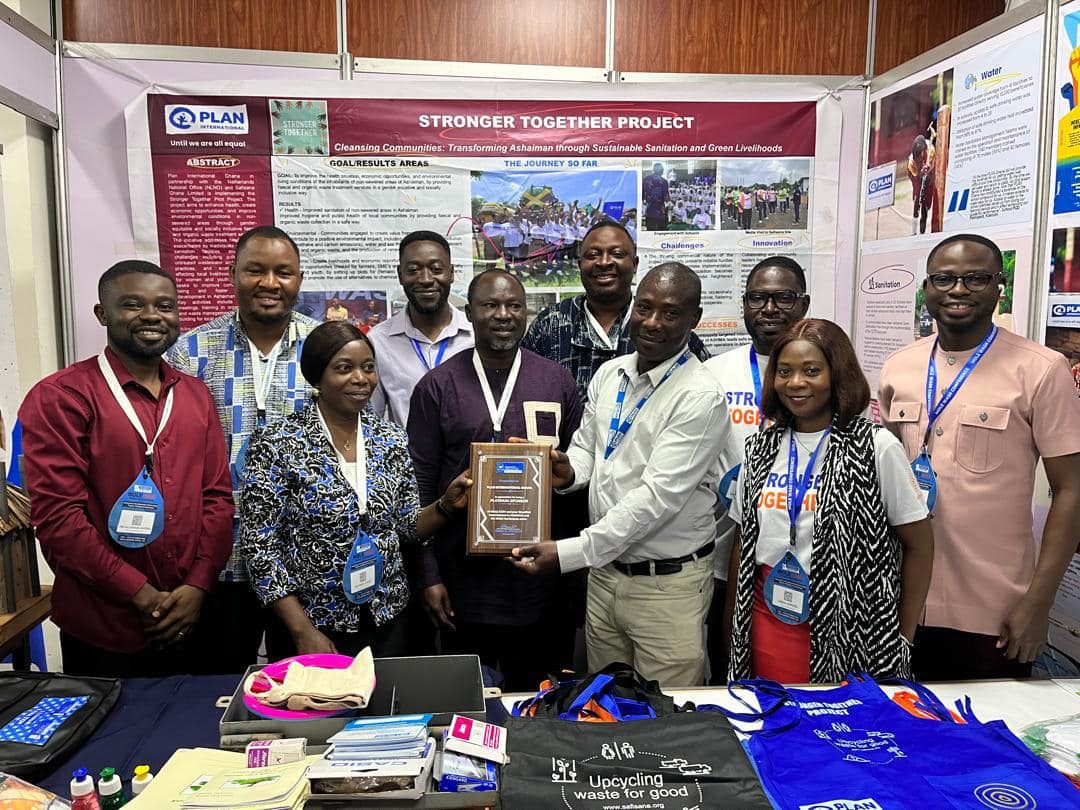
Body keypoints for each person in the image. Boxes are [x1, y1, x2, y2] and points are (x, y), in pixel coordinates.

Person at [511, 263, 729, 687]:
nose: (652, 322)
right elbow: (590, 449)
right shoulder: (612, 374)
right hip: (605, 576)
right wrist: (567, 470)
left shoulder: (700, 396)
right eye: (644, 308)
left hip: (666, 588)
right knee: (607, 707)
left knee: (668, 721)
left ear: (694, 319)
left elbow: (655, 500)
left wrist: (569, 554)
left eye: (669, 313)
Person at [879, 234, 1080, 680]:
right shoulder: (898, 367)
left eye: (975, 278)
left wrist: (1038, 601)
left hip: (995, 609)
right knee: (904, 736)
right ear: (927, 288)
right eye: (945, 279)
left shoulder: (1042, 369)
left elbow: (1071, 489)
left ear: (998, 286)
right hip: (901, 602)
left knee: (988, 741)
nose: (958, 290)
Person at [20, 261, 233, 677]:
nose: (152, 315)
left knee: (192, 738)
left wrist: (198, 585)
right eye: (133, 304)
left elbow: (217, 499)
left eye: (165, 306)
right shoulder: (61, 397)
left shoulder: (194, 396)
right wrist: (140, 594)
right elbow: (58, 519)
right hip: (104, 627)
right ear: (102, 314)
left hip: (192, 617)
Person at [237, 322, 471, 660]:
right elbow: (260, 547)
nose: (361, 379)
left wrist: (445, 506)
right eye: (344, 369)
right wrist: (302, 631)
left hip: (386, 618)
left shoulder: (390, 439)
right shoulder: (277, 443)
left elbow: (406, 527)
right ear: (316, 378)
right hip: (312, 625)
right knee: (319, 712)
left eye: (368, 367)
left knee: (384, 710)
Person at [725, 319, 933, 683]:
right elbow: (744, 542)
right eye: (785, 371)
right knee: (773, 724)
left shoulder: (875, 447)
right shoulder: (760, 448)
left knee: (840, 728)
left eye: (811, 371)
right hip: (767, 618)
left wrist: (902, 637)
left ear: (837, 373)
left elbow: (920, 545)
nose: (796, 383)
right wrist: (733, 628)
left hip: (854, 631)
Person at [407, 270, 582, 690]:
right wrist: (428, 576)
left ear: (526, 312)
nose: (503, 315)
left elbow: (578, 478)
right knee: (469, 706)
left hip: (540, 585)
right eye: (490, 305)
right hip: (463, 586)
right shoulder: (437, 386)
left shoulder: (556, 381)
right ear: (470, 314)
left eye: (514, 306)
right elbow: (420, 484)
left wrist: (572, 572)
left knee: (538, 705)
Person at [167, 225, 320, 674]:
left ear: (299, 279)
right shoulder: (189, 353)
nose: (269, 283)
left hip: (302, 561)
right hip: (218, 562)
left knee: (304, 695)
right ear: (233, 273)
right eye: (255, 270)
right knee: (213, 691)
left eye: (283, 272)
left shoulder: (327, 349)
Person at [702, 256, 810, 683]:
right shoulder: (712, 373)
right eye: (758, 298)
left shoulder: (819, 375)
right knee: (723, 658)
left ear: (803, 304)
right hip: (719, 550)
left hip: (796, 555)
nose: (770, 309)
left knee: (787, 670)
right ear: (744, 305)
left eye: (783, 298)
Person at [522, 220, 709, 404]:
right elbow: (523, 387)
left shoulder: (665, 327)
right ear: (580, 265)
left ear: (635, 264)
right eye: (593, 254)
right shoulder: (551, 323)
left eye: (617, 254)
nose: (604, 262)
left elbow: (703, 388)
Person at [368, 231, 473, 427]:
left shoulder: (474, 336)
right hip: (406, 456)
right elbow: (373, 419)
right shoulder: (378, 341)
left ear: (451, 273)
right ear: (400, 275)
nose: (425, 279)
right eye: (414, 270)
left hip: (465, 457)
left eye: (436, 269)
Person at [908, 135, 936, 236]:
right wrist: (920, 173)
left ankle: (922, 233)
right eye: (917, 158)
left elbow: (933, 166)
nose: (919, 159)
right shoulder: (912, 162)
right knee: (917, 200)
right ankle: (914, 232)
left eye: (921, 156)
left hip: (930, 175)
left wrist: (928, 170)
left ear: (924, 151)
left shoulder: (931, 150)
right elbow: (916, 178)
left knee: (925, 204)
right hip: (916, 177)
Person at [642, 162, 670, 232]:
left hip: (649, 211)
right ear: (660, 170)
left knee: (650, 232)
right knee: (661, 233)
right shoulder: (664, 182)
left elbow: (642, 196)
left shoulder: (646, 179)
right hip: (660, 212)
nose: (663, 170)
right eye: (662, 169)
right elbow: (667, 198)